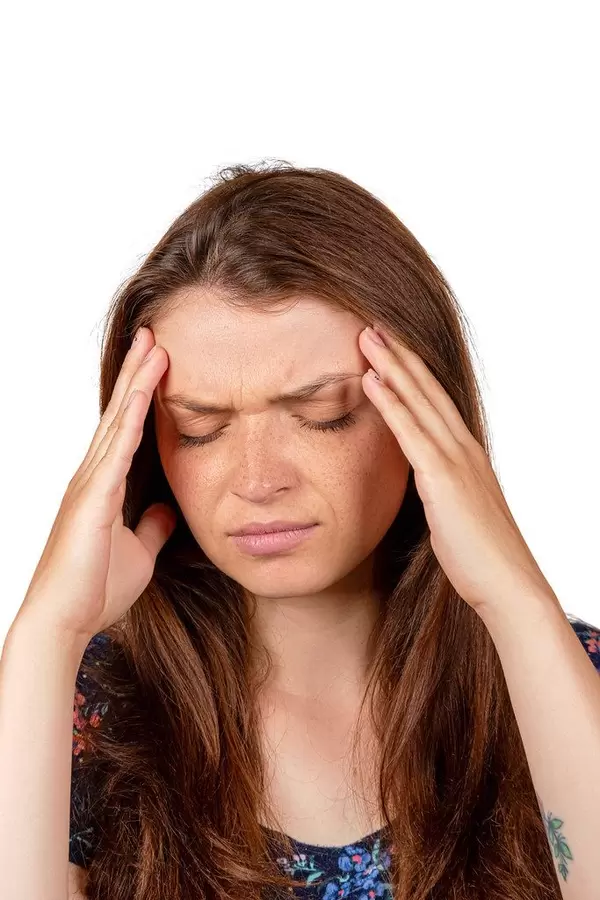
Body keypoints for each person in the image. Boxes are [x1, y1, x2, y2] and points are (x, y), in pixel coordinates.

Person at [1, 162, 599, 900]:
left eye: (323, 415)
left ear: (428, 419)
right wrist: (42, 636)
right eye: (201, 428)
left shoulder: (567, 676)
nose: (257, 480)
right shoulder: (79, 703)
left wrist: (518, 604)